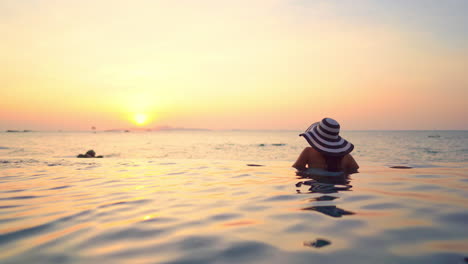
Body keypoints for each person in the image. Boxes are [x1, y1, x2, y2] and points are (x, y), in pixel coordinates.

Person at [293, 117, 358, 174]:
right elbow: (354, 172)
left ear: (317, 136)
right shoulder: (347, 157)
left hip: (316, 185)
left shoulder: (308, 152)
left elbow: (298, 172)